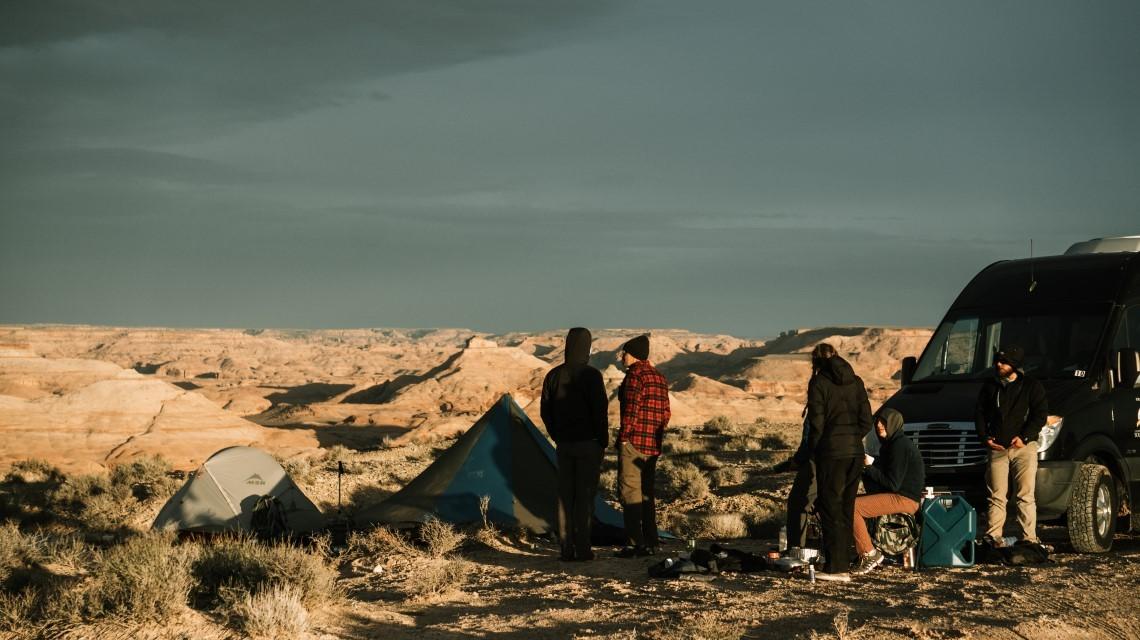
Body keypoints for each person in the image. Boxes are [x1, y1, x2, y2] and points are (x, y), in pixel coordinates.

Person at [540, 327, 609, 561]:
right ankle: (583, 548)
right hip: (589, 444)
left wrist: (556, 435)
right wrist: (603, 440)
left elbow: (545, 411)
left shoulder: (553, 375)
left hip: (564, 445)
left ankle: (566, 549)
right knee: (584, 497)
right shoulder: (592, 376)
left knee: (565, 497)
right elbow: (600, 411)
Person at [807, 343, 874, 582]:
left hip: (832, 455)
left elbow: (816, 425)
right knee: (846, 507)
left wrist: (814, 450)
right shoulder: (856, 381)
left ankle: (836, 568)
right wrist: (853, 438)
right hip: (855, 453)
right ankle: (843, 562)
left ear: (816, 361)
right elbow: (867, 419)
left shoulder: (819, 383)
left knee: (830, 507)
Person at [975, 344, 1048, 545]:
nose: (999, 364)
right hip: (997, 449)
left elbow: (1039, 415)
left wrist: (1024, 437)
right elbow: (979, 413)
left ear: (1014, 364)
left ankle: (1029, 540)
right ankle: (993, 538)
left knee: (1025, 495)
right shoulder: (990, 386)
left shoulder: (1032, 386)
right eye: (997, 360)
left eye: (1004, 361)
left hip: (1024, 449)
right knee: (996, 496)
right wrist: (985, 438)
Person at [615, 334, 671, 558]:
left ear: (634, 355)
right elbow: (666, 414)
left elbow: (631, 410)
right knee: (647, 494)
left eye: (625, 353)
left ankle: (635, 543)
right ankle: (651, 539)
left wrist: (623, 438)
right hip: (653, 445)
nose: (622, 357)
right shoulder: (659, 377)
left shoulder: (635, 376)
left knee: (629, 492)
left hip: (635, 443)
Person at [850, 407, 924, 575]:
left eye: (884, 422)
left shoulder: (899, 445)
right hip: (899, 496)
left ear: (894, 424)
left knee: (852, 506)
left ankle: (869, 554)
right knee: (852, 502)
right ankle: (867, 551)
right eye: (877, 422)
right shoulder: (892, 445)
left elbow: (892, 483)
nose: (879, 426)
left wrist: (869, 467)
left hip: (904, 499)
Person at [785, 408, 818, 550]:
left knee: (798, 502)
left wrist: (797, 461)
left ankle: (796, 549)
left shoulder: (817, 406)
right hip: (841, 462)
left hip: (815, 462)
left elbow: (807, 442)